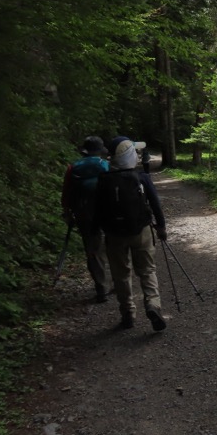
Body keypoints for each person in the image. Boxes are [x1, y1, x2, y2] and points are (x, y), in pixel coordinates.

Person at [94, 136, 168, 331]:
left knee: (121, 275)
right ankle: (153, 305)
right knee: (147, 271)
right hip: (141, 231)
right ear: (128, 156)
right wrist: (161, 227)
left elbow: (98, 209)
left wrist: (103, 230)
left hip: (114, 235)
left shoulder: (103, 180)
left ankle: (128, 313)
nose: (137, 155)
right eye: (134, 152)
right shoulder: (142, 178)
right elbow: (155, 205)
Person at [61, 136, 111, 302]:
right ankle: (120, 283)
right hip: (109, 213)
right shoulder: (106, 165)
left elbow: (66, 194)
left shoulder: (73, 167)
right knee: (115, 247)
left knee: (92, 250)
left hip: (85, 214)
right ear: (100, 151)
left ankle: (101, 288)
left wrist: (68, 213)